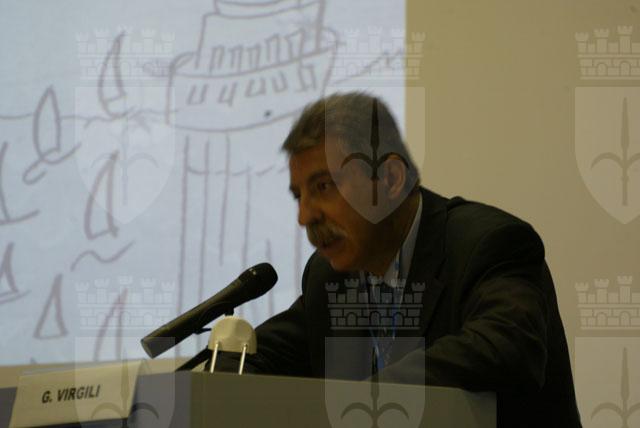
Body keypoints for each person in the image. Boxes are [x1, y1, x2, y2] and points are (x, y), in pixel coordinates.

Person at [219, 92, 582, 427]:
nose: (305, 216)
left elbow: (506, 346)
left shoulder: (487, 244)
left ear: (391, 179)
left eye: (324, 187)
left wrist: (363, 401)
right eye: (299, 195)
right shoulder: (330, 277)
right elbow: (257, 356)